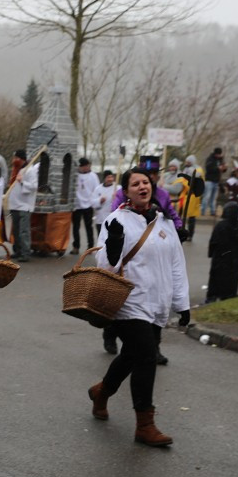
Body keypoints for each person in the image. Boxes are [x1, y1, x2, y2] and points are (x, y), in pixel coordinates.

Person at [86, 168, 190, 447]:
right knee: (146, 356)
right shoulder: (115, 219)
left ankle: (102, 391)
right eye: (136, 184)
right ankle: (145, 425)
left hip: (157, 304)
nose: (142, 186)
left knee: (132, 355)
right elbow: (105, 268)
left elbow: (176, 264)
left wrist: (182, 304)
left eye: (146, 182)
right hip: (127, 302)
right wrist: (114, 244)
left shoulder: (164, 221)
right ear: (127, 191)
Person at [205, 201, 238, 303]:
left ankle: (212, 296)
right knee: (231, 280)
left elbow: (213, 241)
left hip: (220, 258)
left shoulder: (221, 226)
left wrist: (211, 253)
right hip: (233, 259)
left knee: (216, 278)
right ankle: (228, 296)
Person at [8, 149, 37, 263]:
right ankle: (18, 250)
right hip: (14, 204)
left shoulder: (30, 170)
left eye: (16, 158)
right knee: (16, 230)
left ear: (21, 159)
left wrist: (22, 182)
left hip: (25, 205)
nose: (14, 160)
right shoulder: (17, 169)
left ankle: (25, 252)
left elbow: (34, 186)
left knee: (23, 231)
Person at [71, 157, 98, 254]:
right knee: (75, 227)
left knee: (88, 227)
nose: (84, 168)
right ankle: (76, 247)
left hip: (88, 205)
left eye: (86, 166)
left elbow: (97, 189)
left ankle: (90, 247)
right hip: (77, 205)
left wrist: (94, 201)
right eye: (82, 167)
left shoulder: (93, 176)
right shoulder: (75, 175)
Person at [92, 170, 118, 237]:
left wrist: (116, 198)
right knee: (101, 238)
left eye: (111, 177)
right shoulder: (98, 189)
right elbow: (93, 203)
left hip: (114, 219)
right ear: (104, 178)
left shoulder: (117, 188)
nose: (110, 179)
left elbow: (123, 201)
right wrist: (100, 200)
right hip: (100, 219)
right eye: (108, 177)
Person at [202, 147, 225, 217]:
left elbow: (222, 170)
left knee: (213, 198)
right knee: (207, 197)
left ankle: (212, 211)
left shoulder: (220, 160)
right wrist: (217, 168)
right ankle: (203, 211)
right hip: (209, 180)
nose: (219, 156)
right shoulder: (210, 159)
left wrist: (224, 168)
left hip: (216, 181)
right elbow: (208, 168)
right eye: (218, 154)